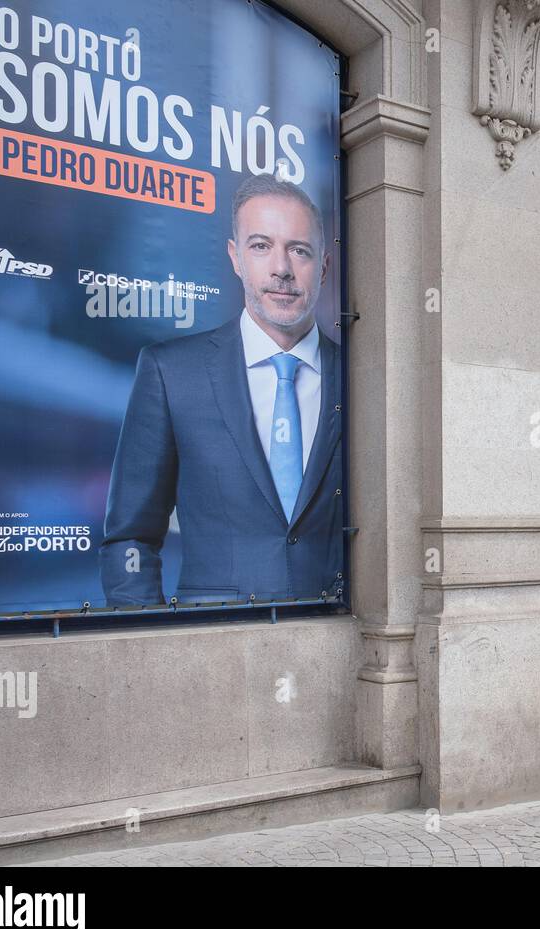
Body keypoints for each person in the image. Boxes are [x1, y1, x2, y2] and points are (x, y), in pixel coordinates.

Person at [99, 173, 342, 606]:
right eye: (261, 246)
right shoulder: (171, 372)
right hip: (210, 644)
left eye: (299, 251)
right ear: (235, 257)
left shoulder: (359, 376)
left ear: (323, 265)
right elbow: (130, 537)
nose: (281, 268)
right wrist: (152, 641)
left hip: (341, 642)